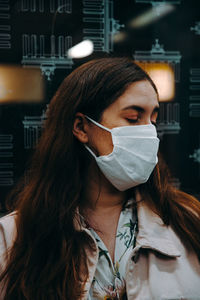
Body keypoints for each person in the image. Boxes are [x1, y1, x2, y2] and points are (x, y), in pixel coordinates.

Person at [0, 57, 200, 300]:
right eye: (133, 119)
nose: (149, 133)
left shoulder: (188, 221)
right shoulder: (13, 237)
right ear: (82, 128)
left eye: (153, 120)